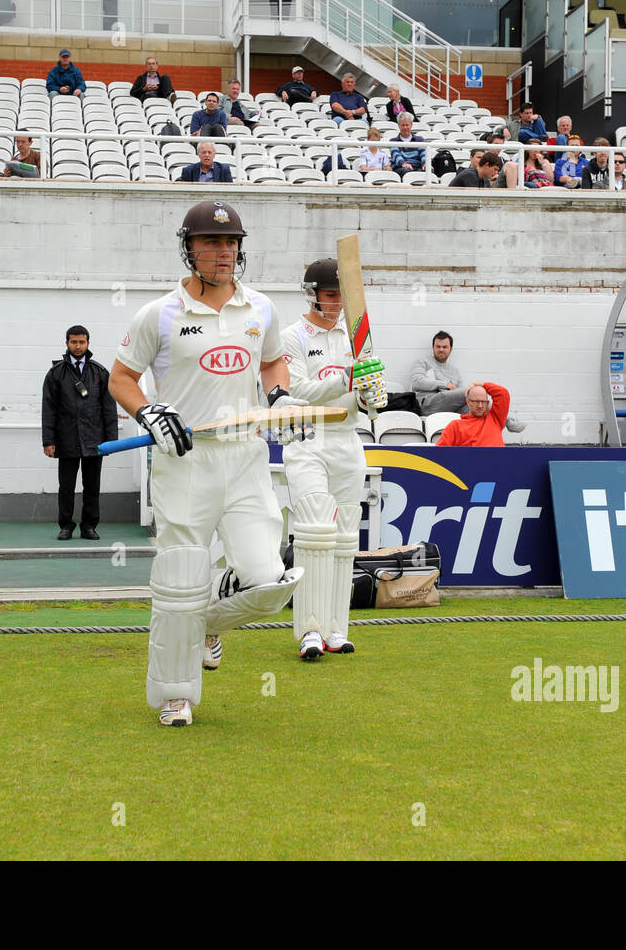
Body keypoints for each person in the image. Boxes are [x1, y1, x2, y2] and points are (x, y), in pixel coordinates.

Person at [107, 200, 306, 727]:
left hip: (245, 458)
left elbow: (270, 363)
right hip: (184, 461)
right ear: (189, 248)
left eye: (231, 243)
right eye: (212, 243)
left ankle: (207, 624)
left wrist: (281, 397)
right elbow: (121, 379)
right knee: (179, 579)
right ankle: (176, 694)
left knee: (267, 582)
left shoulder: (261, 309)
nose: (223, 252)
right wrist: (148, 410)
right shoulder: (159, 314)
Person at [281, 258, 387, 659]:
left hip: (347, 439)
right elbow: (297, 389)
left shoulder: (356, 338)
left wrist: (370, 394)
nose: (337, 303)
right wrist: (346, 378)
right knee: (313, 534)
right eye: (330, 295)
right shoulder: (292, 336)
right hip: (307, 439)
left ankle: (337, 629)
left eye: (342, 296)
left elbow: (372, 399)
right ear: (312, 295)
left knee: (344, 538)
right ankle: (310, 630)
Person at [42, 325, 117, 541]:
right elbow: (49, 409)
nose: (78, 346)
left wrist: (111, 441)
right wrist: (49, 441)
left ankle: (89, 527)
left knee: (92, 487)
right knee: (66, 487)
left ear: (88, 343)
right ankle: (66, 526)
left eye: (81, 342)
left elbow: (109, 409)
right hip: (66, 440)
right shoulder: (56, 374)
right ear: (66, 343)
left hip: (95, 441)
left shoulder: (100, 372)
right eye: (74, 342)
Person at [436, 382, 512, 447]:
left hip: (497, 462)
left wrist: (481, 384)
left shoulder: (495, 419)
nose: (480, 406)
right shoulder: (455, 426)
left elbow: (503, 393)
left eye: (483, 402)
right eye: (476, 401)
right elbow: (440, 452)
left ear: (487, 403)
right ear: (468, 402)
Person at [410, 331, 466, 414]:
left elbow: (460, 393)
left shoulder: (455, 371)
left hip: (449, 405)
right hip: (426, 404)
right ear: (433, 348)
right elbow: (416, 382)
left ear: (450, 349)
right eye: (438, 346)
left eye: (445, 347)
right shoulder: (422, 362)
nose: (441, 349)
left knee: (479, 406)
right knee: (470, 392)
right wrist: (444, 384)